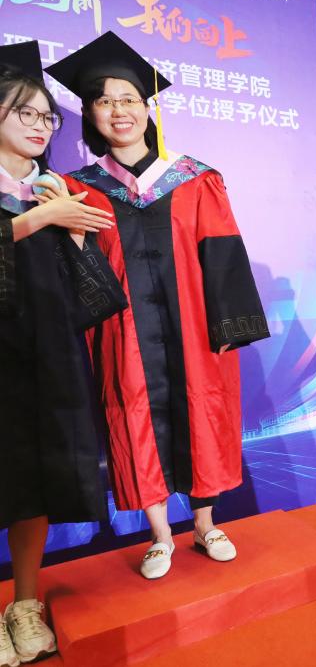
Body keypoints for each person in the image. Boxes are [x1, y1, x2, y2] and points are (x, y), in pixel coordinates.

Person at [46, 32, 270, 579]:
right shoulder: (76, 190)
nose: (118, 110)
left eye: (129, 99)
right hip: (122, 331)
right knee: (134, 416)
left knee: (199, 409)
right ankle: (160, 535)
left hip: (195, 328)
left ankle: (206, 524)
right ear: (90, 115)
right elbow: (71, 273)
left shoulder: (196, 181)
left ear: (148, 110)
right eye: (104, 101)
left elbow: (222, 255)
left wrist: (228, 326)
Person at [0, 41, 123, 664]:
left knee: (32, 480)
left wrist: (72, 233)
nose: (40, 126)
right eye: (24, 113)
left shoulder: (54, 191)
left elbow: (91, 299)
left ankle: (24, 602)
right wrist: (38, 222)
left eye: (47, 117)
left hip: (44, 360)